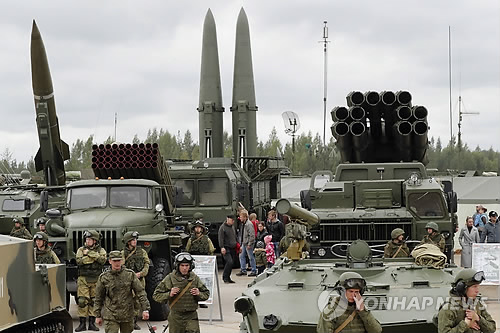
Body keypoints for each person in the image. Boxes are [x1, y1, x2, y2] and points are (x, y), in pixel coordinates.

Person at [94, 250, 150, 333]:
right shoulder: (104, 277)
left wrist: (145, 309)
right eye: (114, 261)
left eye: (119, 260)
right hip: (111, 314)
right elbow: (98, 297)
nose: (117, 263)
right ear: (110, 261)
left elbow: (140, 292)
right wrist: (97, 315)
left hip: (127, 314)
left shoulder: (130, 275)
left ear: (122, 261)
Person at [152, 252, 209, 333]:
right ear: (177, 266)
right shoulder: (170, 278)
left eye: (187, 265)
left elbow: (206, 294)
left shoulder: (195, 279)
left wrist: (199, 294)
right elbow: (156, 295)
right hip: (176, 317)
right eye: (182, 265)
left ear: (191, 266)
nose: (184, 268)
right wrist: (169, 294)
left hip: (191, 316)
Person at [317, 272, 382, 333]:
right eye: (350, 291)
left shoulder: (362, 310)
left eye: (356, 292)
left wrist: (363, 311)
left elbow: (377, 331)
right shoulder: (330, 311)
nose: (353, 295)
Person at [75, 230, 107, 332]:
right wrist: (94, 258)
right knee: (82, 301)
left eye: (90, 239)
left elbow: (102, 260)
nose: (87, 241)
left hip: (96, 278)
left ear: (95, 241)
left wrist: (89, 253)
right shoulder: (81, 249)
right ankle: (82, 323)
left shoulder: (101, 250)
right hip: (83, 278)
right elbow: (79, 261)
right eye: (87, 239)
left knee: (94, 301)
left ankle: (92, 323)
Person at [122, 231, 150, 330]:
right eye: (132, 240)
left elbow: (147, 264)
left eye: (135, 240)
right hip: (128, 280)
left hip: (139, 279)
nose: (135, 241)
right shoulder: (123, 253)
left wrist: (141, 273)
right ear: (128, 242)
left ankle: (134, 321)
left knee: (137, 301)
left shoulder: (142, 252)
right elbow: (121, 266)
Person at [236, 209, 257, 277]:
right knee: (241, 256)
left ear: (245, 217)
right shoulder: (243, 224)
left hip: (248, 243)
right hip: (243, 243)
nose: (240, 218)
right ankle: (243, 269)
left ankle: (254, 270)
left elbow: (252, 235)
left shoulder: (249, 224)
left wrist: (249, 244)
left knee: (251, 257)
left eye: (241, 217)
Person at [218, 215, 237, 283]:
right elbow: (221, 238)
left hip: (232, 247)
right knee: (229, 262)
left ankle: (228, 277)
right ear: (227, 219)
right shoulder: (222, 228)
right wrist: (222, 247)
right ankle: (225, 277)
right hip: (226, 247)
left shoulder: (232, 227)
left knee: (232, 263)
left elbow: (235, 236)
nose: (233, 221)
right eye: (232, 220)